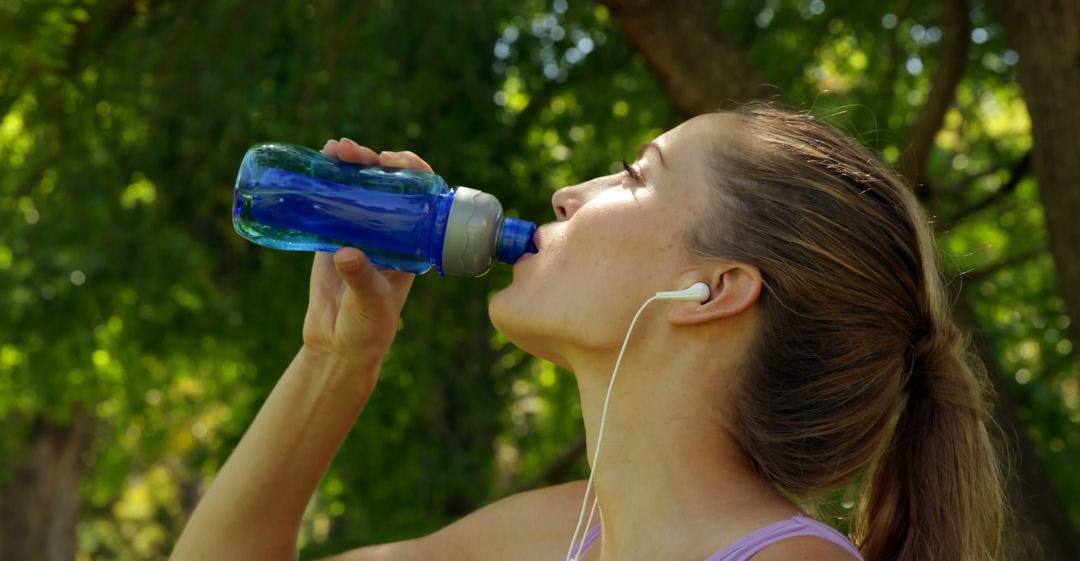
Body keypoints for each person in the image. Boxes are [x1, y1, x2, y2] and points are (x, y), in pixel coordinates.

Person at [171, 105, 1005, 560]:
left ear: (715, 290)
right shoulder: (557, 536)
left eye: (635, 175)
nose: (569, 192)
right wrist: (335, 359)